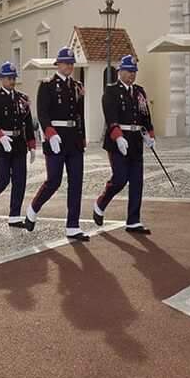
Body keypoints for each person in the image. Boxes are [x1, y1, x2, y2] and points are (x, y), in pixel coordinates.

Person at [24, 47, 89, 241]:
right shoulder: (47, 85)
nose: (69, 66)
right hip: (56, 139)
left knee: (76, 182)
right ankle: (33, 208)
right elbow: (43, 112)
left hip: (73, 139)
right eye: (65, 63)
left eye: (71, 63)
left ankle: (73, 225)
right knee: (54, 180)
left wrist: (82, 137)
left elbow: (79, 114)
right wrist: (50, 133)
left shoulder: (76, 86)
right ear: (58, 64)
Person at [94, 55, 154, 234]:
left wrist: (149, 134)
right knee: (120, 179)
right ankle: (100, 203)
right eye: (129, 71)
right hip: (117, 141)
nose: (132, 75)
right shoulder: (111, 91)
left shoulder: (140, 92)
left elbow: (145, 115)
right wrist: (118, 135)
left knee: (137, 181)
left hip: (135, 140)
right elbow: (110, 115)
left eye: (134, 71)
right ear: (120, 71)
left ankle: (133, 220)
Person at [0, 62, 37, 227]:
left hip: (18, 143)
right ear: (1, 79)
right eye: (8, 78)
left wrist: (32, 145)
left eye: (13, 78)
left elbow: (27, 122)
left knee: (20, 179)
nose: (11, 81)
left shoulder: (22, 99)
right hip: (2, 143)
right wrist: (0, 137)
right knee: (4, 178)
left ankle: (14, 215)